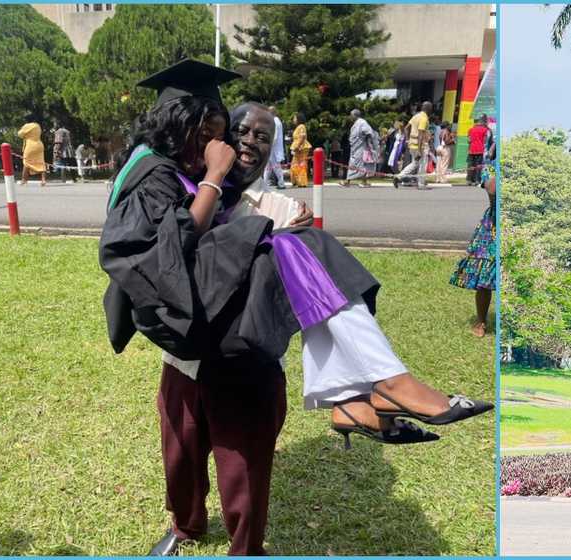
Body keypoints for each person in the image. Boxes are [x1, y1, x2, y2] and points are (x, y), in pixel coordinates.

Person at [99, 61, 491, 556]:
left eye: (260, 138)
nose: (240, 144)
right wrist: (217, 183)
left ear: (273, 150)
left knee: (246, 466)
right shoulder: (174, 176)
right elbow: (158, 250)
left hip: (244, 360)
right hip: (187, 352)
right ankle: (187, 523)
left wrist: (271, 227)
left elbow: (313, 298)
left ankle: (251, 542)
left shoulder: (280, 204)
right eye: (230, 131)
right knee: (180, 454)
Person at [449, 149, 496, 337]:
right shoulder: (490, 168)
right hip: (492, 228)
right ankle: (481, 320)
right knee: (484, 279)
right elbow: (492, 189)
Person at [394, 101, 432, 189]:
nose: (431, 110)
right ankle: (421, 184)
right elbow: (421, 133)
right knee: (423, 164)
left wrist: (407, 140)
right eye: (431, 108)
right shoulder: (424, 118)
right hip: (420, 146)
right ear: (428, 109)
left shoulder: (416, 116)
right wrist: (419, 150)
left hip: (412, 145)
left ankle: (399, 177)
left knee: (414, 163)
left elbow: (406, 128)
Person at [342, 109, 378, 187]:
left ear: (355, 115)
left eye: (351, 115)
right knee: (353, 164)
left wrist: (368, 144)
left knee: (362, 165)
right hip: (355, 148)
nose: (350, 117)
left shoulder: (362, 122)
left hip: (361, 147)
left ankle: (363, 182)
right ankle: (347, 181)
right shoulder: (356, 123)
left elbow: (369, 133)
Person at [18, 122, 48, 187]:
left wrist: (24, 131)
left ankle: (24, 180)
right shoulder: (37, 126)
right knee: (41, 162)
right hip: (39, 145)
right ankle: (43, 180)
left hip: (31, 145)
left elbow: (20, 134)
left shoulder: (28, 126)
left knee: (26, 162)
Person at [265, 105, 286, 189]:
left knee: (276, 167)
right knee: (268, 166)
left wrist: (268, 145)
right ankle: (265, 184)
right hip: (273, 148)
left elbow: (275, 136)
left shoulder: (275, 121)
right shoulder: (276, 121)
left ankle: (281, 183)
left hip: (273, 148)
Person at [289, 112, 310, 187]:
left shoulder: (301, 126)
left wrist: (297, 146)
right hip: (298, 148)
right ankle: (296, 181)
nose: (293, 119)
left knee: (300, 165)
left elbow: (302, 137)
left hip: (301, 148)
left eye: (295, 118)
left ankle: (302, 182)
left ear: (298, 119)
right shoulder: (299, 127)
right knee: (295, 165)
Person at [466, 116, 489, 186]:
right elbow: (485, 141)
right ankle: (477, 180)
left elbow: (469, 140)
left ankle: (469, 180)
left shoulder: (470, 129)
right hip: (480, 150)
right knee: (478, 165)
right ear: (481, 122)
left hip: (471, 150)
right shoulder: (484, 130)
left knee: (471, 165)